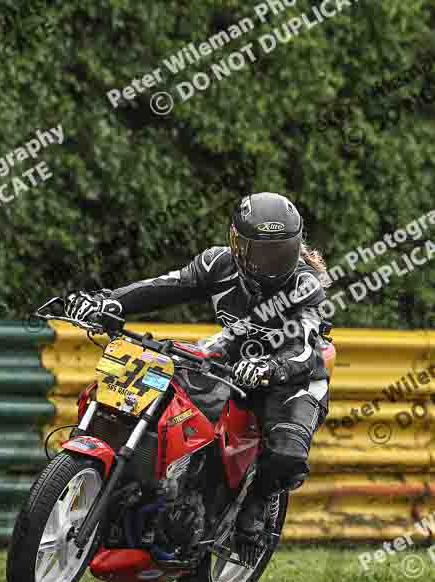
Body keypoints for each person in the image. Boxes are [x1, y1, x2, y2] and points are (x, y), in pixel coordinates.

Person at [65, 192, 331, 551]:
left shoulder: (304, 285)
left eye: (280, 252)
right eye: (261, 252)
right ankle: (144, 484)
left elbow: (302, 348)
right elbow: (163, 286)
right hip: (228, 355)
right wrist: (110, 300)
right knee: (156, 387)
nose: (270, 264)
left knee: (286, 453)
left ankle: (257, 504)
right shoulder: (217, 264)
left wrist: (271, 366)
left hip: (292, 376)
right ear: (237, 244)